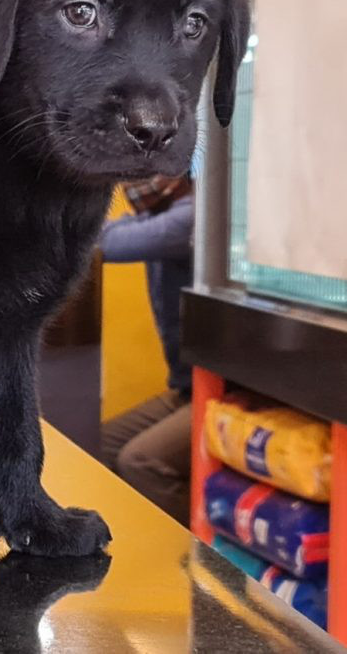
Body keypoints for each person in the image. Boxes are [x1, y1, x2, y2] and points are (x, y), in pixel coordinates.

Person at [97, 172, 197, 523]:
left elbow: (102, 243)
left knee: (141, 461)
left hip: (222, 392)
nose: (133, 182)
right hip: (186, 390)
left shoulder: (192, 218)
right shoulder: (160, 215)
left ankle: (199, 558)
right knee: (101, 445)